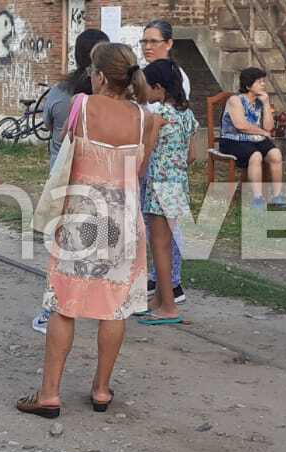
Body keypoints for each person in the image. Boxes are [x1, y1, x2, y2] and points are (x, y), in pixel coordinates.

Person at [18, 43, 160, 418]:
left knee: (65, 305)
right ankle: (100, 389)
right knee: (113, 309)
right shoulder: (145, 119)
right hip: (123, 219)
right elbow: (138, 173)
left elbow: (67, 152)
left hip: (82, 213)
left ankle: (49, 393)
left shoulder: (82, 105)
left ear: (98, 76)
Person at [31, 28, 108, 334]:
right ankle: (101, 306)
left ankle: (51, 312)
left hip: (64, 183)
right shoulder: (110, 98)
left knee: (61, 253)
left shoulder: (61, 94)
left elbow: (49, 125)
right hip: (101, 182)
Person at [140, 59, 198, 324]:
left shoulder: (158, 117)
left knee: (159, 247)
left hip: (157, 186)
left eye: (147, 88)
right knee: (166, 243)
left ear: (158, 87)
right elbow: (192, 156)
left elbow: (146, 152)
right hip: (178, 185)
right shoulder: (188, 115)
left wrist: (137, 175)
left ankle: (169, 308)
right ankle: (160, 300)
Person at [218, 67, 286, 209]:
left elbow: (268, 128)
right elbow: (241, 125)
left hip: (254, 138)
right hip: (232, 139)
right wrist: (262, 132)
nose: (263, 84)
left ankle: (277, 195)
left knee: (276, 154)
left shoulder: (260, 101)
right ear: (248, 85)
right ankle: (258, 198)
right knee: (255, 156)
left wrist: (267, 104)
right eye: (259, 82)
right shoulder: (235, 100)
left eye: (263, 81)